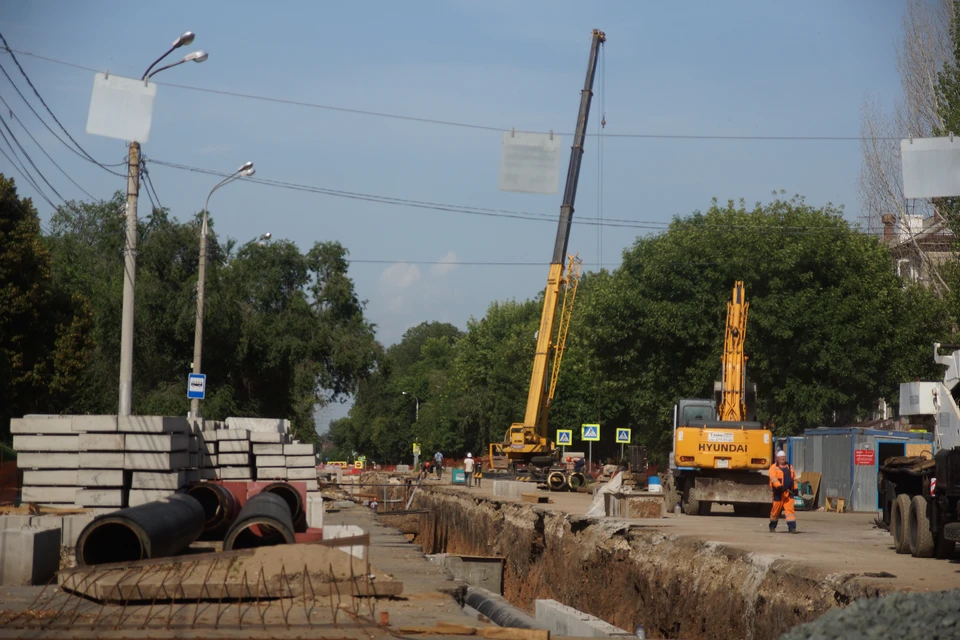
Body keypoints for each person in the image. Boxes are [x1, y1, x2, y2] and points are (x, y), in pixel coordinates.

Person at [769, 450, 798, 533]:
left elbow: (794, 479)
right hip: (778, 493)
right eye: (781, 458)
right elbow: (773, 478)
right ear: (777, 458)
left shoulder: (790, 467)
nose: (783, 459)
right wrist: (779, 486)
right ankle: (772, 526)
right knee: (776, 511)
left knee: (790, 511)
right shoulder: (773, 467)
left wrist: (795, 489)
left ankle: (792, 528)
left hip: (788, 493)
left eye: (784, 457)